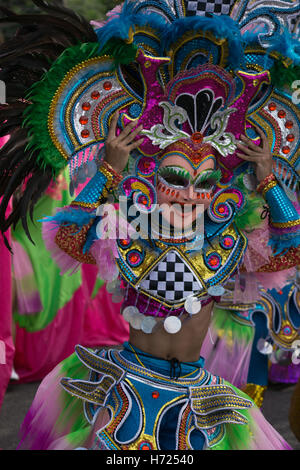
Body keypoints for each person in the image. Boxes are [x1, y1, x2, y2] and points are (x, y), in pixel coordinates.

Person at [0, 0, 299, 451]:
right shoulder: (127, 230)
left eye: (206, 183)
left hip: (198, 398)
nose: (190, 193)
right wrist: (108, 170)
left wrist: (269, 181)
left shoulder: (229, 242)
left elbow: (290, 252)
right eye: (175, 177)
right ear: (149, 175)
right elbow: (68, 236)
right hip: (124, 387)